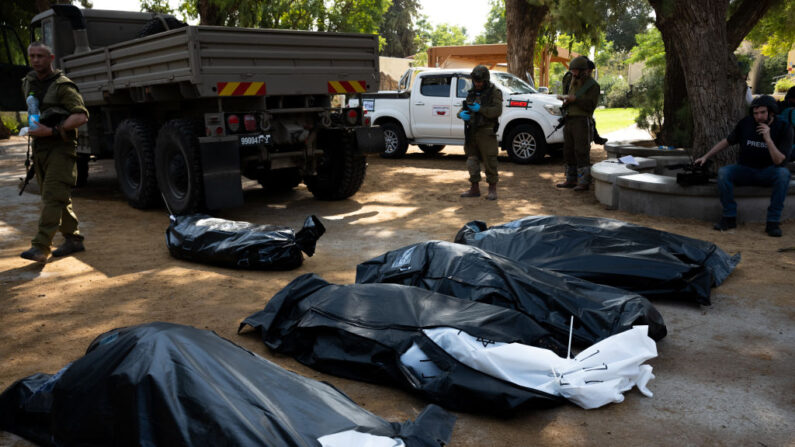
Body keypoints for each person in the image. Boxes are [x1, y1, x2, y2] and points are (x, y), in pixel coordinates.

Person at [19, 42, 89, 263]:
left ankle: (41, 246)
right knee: (59, 198)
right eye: (32, 56)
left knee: (52, 197)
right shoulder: (28, 82)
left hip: (61, 148)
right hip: (40, 149)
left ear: (51, 58)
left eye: (40, 56)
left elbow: (81, 117)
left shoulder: (63, 86)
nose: (36, 60)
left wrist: (51, 130)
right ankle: (73, 240)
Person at [695, 95, 793, 237]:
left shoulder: (784, 127)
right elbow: (727, 141)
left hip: (769, 172)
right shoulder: (746, 123)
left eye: (762, 113)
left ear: (771, 112)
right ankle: (729, 217)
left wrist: (768, 138)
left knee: (783, 174)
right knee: (724, 173)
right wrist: (705, 156)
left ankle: (773, 222)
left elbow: (779, 161)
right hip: (745, 170)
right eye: (755, 113)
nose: (758, 117)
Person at [458, 65, 503, 200]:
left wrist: (480, 109)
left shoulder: (494, 92)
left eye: (479, 82)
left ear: (485, 80)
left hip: (486, 131)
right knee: (472, 160)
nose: (477, 84)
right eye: (475, 81)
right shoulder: (472, 92)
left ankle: (492, 189)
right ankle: (474, 188)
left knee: (490, 161)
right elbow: (464, 107)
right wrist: (461, 114)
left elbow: (497, 111)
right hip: (472, 131)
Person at [555, 55, 600, 191]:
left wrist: (575, 100)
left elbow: (591, 105)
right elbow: (571, 97)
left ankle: (584, 181)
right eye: (572, 71)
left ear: (584, 71)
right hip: (569, 119)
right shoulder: (572, 82)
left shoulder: (593, 86)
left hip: (582, 121)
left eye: (575, 71)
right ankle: (571, 179)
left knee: (581, 151)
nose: (573, 73)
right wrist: (566, 100)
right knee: (568, 151)